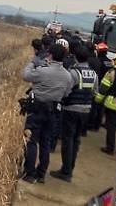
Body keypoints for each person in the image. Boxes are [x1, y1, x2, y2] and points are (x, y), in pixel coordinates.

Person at [20, 44, 73, 184]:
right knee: (46, 143)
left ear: (50, 55)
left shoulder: (43, 71)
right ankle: (41, 174)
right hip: (54, 111)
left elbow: (25, 75)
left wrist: (32, 63)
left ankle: (29, 173)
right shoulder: (68, 76)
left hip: (37, 109)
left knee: (31, 140)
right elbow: (67, 93)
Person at [50, 46, 98, 182]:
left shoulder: (73, 72)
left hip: (71, 109)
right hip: (86, 110)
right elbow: (95, 92)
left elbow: (66, 91)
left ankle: (65, 171)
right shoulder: (94, 74)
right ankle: (70, 168)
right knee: (76, 140)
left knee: (67, 140)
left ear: (76, 57)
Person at [88, 42, 112, 131]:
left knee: (95, 106)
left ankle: (91, 125)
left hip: (99, 85)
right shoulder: (110, 62)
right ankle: (97, 125)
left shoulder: (99, 61)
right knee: (101, 108)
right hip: (107, 87)